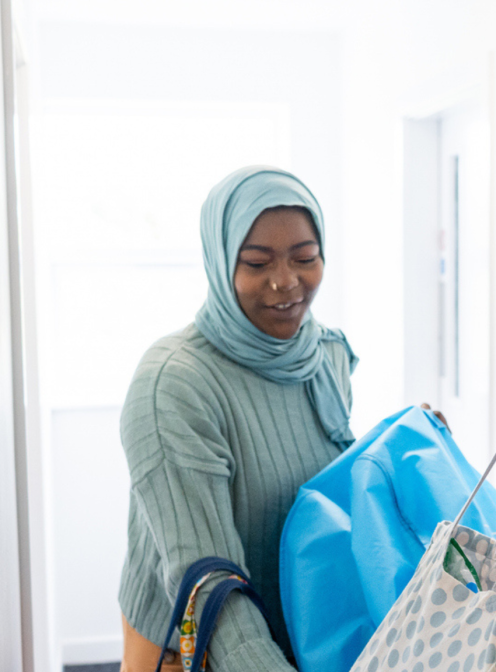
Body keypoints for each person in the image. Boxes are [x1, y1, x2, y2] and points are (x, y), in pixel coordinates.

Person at [118, 166, 355, 671]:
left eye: (305, 258)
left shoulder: (323, 356)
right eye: (255, 262)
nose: (286, 281)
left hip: (296, 633)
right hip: (190, 649)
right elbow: (207, 582)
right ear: (219, 261)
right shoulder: (175, 386)